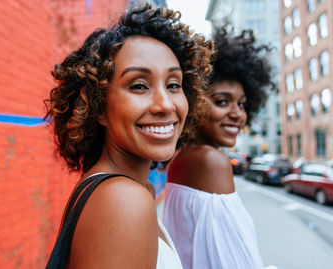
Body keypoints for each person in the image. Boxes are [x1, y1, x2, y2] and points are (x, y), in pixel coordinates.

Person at [44, 5, 214, 269]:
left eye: (173, 85)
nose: (166, 105)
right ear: (98, 106)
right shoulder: (123, 200)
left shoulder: (123, 190)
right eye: (139, 86)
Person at [163, 25, 275, 269]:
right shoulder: (210, 160)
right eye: (222, 101)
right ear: (194, 102)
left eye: (243, 104)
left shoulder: (183, 158)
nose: (237, 114)